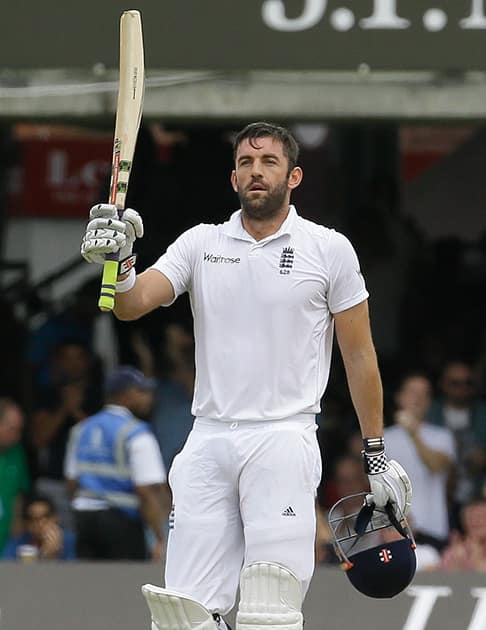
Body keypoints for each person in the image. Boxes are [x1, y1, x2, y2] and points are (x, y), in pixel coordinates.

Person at [80, 122, 411, 630]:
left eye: (269, 162)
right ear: (233, 178)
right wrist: (119, 262)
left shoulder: (329, 249)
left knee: (268, 612)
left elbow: (360, 355)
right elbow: (131, 303)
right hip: (208, 439)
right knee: (181, 617)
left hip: (283, 437)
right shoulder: (200, 244)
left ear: (294, 176)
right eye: (246, 164)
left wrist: (375, 450)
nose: (256, 172)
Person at [64, 365, 168, 561]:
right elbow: (147, 491)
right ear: (125, 396)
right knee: (123, 586)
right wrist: (159, 537)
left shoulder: (81, 429)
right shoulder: (137, 434)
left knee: (87, 585)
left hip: (84, 519)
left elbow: (71, 483)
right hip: (121, 522)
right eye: (142, 392)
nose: (149, 398)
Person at [385, 372, 455, 551]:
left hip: (433, 529)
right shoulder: (383, 438)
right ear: (399, 397)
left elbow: (436, 466)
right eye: (412, 392)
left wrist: (413, 433)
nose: (418, 398)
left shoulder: (442, 436)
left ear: (429, 401)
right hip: (395, 531)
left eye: (424, 394)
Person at [428, 360, 486, 511]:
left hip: (475, 494)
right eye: (455, 383)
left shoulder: (483, 412)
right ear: (442, 384)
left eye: (468, 382)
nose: (462, 388)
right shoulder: (430, 412)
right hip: (438, 495)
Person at [2, 492, 76, 560]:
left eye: (46, 517)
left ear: (55, 518)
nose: (40, 524)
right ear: (27, 524)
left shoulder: (69, 540)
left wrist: (54, 557)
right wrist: (44, 557)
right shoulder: (17, 543)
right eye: (35, 519)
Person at [0, 398, 30, 554]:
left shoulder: (17, 453)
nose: (17, 436)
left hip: (6, 537)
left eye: (20, 430)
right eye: (13, 429)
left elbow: (19, 491)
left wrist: (17, 520)